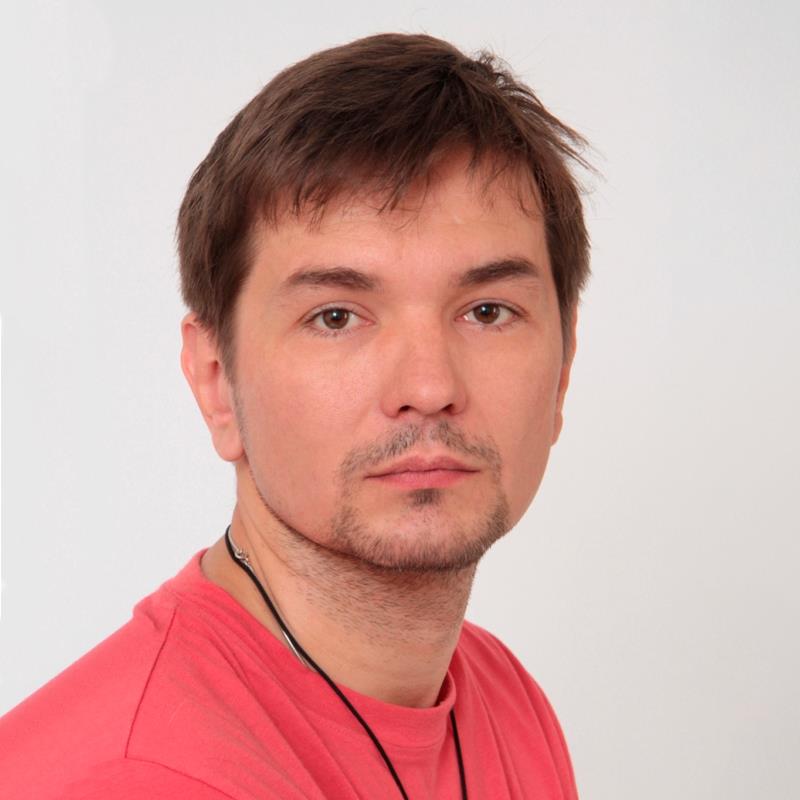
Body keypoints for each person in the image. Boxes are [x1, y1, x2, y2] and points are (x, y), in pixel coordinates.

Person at [0, 32, 590, 799]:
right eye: (337, 317)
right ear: (216, 381)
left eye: (487, 311)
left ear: (563, 371)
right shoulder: (140, 778)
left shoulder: (507, 704)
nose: (428, 385)